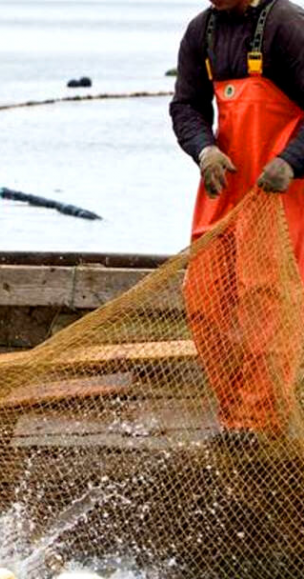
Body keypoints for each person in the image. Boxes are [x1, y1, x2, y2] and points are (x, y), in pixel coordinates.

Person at [170, 0, 304, 436]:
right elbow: (186, 107)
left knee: (267, 301)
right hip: (224, 188)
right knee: (205, 300)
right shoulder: (201, 31)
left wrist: (290, 161)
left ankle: (261, 422)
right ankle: (235, 417)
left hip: (279, 191)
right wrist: (204, 149)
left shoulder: (285, 24)